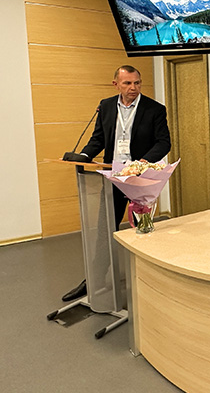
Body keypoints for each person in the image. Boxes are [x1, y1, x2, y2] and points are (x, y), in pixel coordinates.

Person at [62, 65, 171, 301]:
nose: (133, 88)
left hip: (140, 178)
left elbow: (164, 143)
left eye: (137, 83)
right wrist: (84, 156)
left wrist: (142, 162)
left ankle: (148, 278)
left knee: (143, 228)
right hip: (113, 176)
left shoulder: (155, 109)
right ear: (116, 84)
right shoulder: (106, 106)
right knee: (105, 229)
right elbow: (98, 139)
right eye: (127, 83)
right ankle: (95, 279)